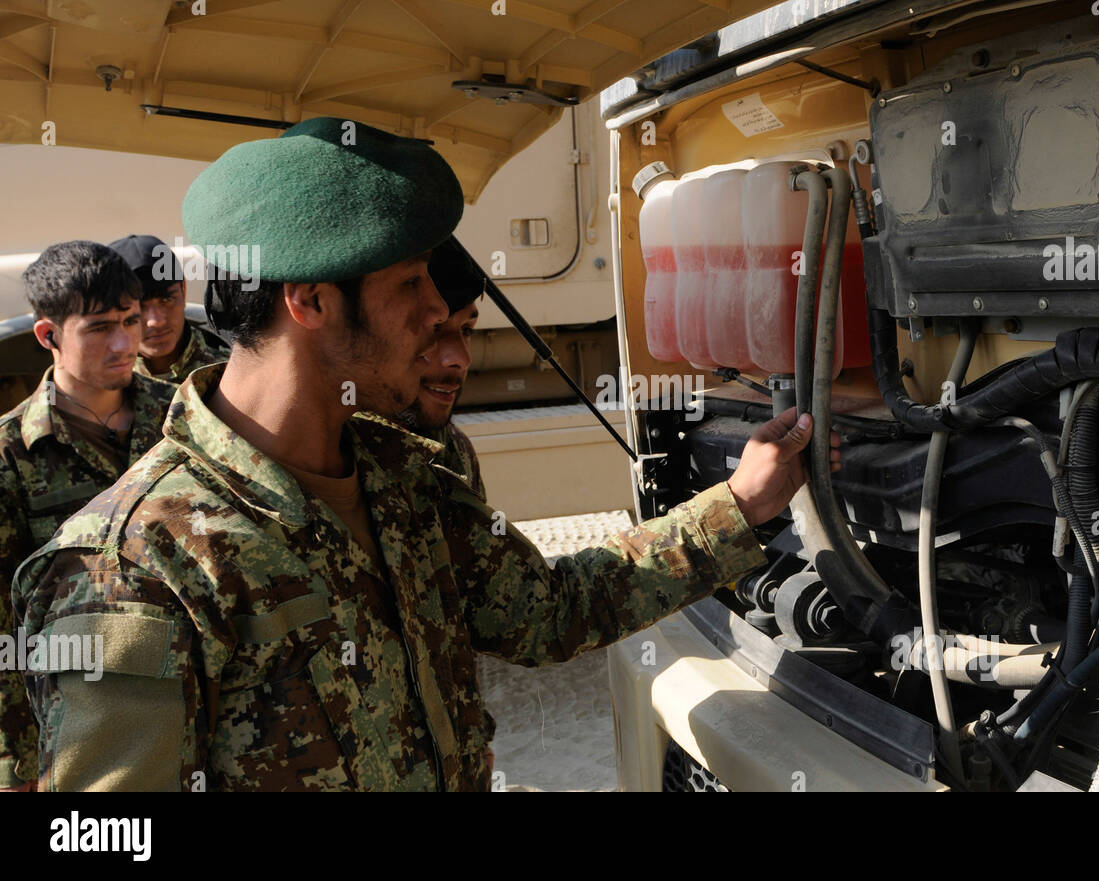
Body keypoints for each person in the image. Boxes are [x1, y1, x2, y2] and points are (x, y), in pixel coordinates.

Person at [13, 118, 830, 792]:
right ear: (310, 300)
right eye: (409, 284)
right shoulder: (135, 569)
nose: (437, 309)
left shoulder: (400, 475)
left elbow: (542, 611)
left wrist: (741, 506)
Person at [0, 241, 175, 791]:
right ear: (49, 335)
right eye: (99, 328)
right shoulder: (11, 454)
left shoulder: (185, 419)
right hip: (77, 727)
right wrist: (17, 765)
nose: (127, 342)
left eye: (129, 319)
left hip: (195, 701)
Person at [395, 240, 485, 497]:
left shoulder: (452, 447)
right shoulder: (335, 452)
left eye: (466, 330)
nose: (462, 358)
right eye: (435, 328)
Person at [108, 234, 231, 383]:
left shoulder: (229, 373)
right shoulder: (101, 382)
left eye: (166, 300)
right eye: (139, 306)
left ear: (183, 290)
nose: (156, 321)